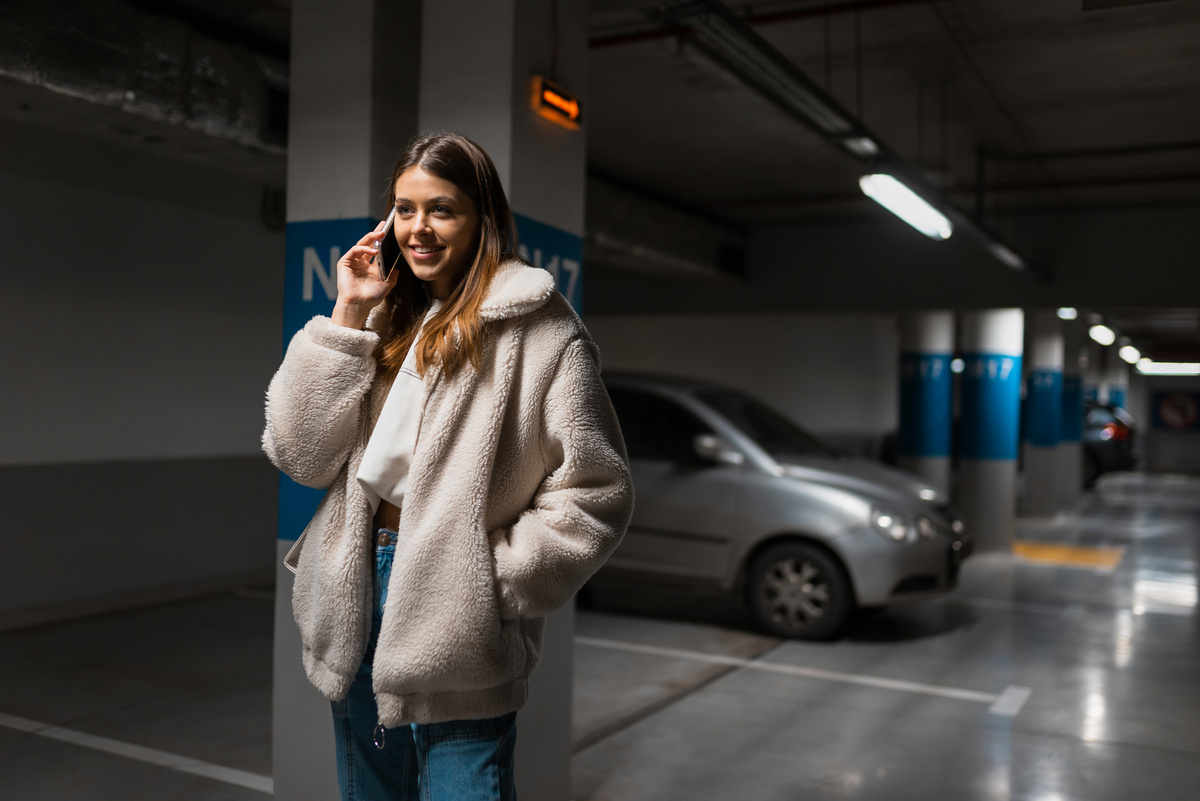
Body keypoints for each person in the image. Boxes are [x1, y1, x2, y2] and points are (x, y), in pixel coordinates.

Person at [262, 130, 634, 801]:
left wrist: (489, 584)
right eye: (404, 208)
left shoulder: (542, 331)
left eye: (442, 209)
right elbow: (300, 455)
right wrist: (347, 311)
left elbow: (597, 490)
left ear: (483, 219)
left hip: (455, 612)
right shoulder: (381, 316)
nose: (417, 228)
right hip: (356, 594)